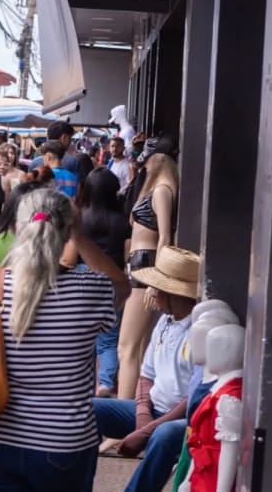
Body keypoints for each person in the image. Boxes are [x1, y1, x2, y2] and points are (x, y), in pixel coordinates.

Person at [0, 189, 129, 492]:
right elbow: (122, 286)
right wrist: (81, 236)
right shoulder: (91, 289)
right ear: (66, 233)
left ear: (16, 229)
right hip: (64, 443)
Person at [94, 247, 200, 492]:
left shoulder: (198, 330)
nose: (152, 292)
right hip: (151, 410)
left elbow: (193, 398)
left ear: (175, 294)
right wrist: (143, 417)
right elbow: (146, 375)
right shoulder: (165, 320)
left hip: (183, 419)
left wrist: (147, 430)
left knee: (163, 435)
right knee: (89, 410)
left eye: (159, 287)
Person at [117, 146, 179, 402]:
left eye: (148, 157)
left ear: (159, 158)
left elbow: (165, 235)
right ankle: (131, 413)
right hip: (141, 265)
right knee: (137, 348)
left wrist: (157, 280)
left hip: (147, 266)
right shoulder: (156, 188)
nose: (144, 163)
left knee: (127, 347)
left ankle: (119, 421)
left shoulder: (163, 190)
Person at [82, 168, 132, 398]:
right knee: (109, 339)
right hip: (113, 282)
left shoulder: (82, 219)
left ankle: (85, 381)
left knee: (85, 337)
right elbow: (128, 253)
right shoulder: (121, 222)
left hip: (84, 281)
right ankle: (105, 383)